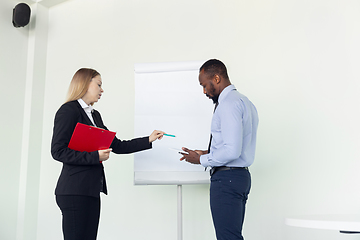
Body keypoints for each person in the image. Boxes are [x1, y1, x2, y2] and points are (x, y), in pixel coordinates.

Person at [51, 68, 164, 240]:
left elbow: (117, 145)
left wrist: (148, 139)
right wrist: (95, 157)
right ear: (85, 83)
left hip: (91, 190)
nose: (102, 90)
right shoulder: (69, 111)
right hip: (74, 190)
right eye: (99, 85)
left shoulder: (95, 116)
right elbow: (58, 151)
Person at [180, 59, 259, 240]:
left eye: (204, 85)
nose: (204, 91)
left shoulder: (228, 104)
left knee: (228, 237)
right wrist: (207, 153)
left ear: (216, 78)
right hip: (239, 177)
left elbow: (232, 151)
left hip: (227, 179)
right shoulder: (245, 102)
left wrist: (200, 160)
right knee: (232, 236)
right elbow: (236, 146)